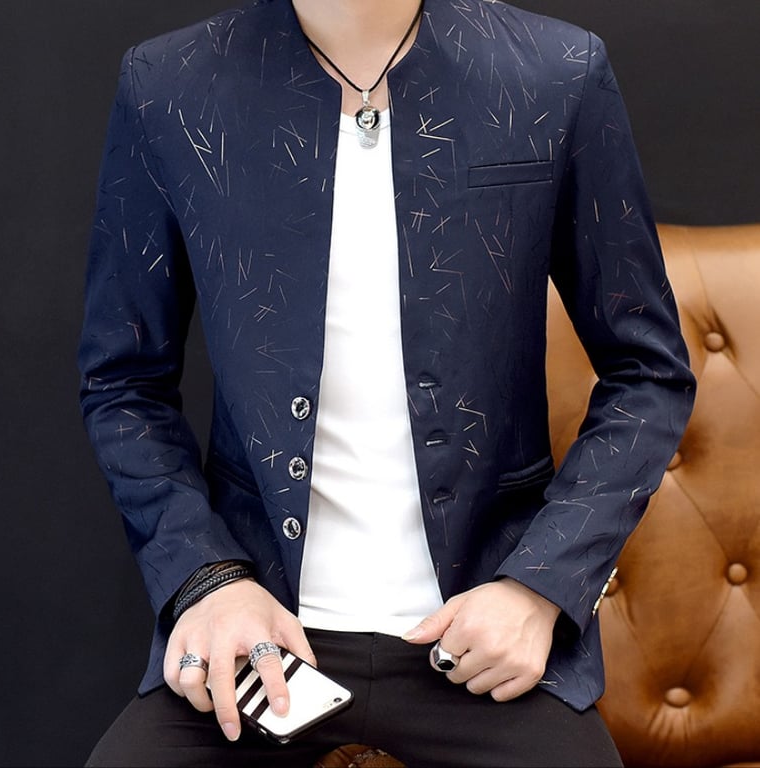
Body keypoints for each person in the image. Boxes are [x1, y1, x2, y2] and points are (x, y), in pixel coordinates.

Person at [78, 0, 695, 765]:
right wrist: (207, 579)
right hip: (258, 632)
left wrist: (539, 586)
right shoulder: (168, 84)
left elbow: (647, 371)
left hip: (477, 631)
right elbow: (123, 381)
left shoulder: (553, 72)